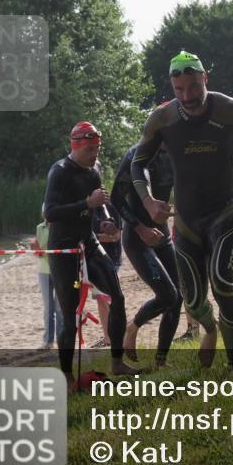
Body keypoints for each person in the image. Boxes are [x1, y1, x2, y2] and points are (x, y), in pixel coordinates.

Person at [131, 51, 233, 371]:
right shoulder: (162, 118)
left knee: (222, 284)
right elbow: (138, 164)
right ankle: (210, 330)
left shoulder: (230, 108)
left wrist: (226, 152)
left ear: (205, 78)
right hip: (187, 220)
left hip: (224, 212)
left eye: (193, 87)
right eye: (179, 90)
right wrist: (149, 201)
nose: (187, 97)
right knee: (192, 300)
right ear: (172, 87)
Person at [44, 121, 138, 388]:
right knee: (71, 314)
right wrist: (86, 203)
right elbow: (50, 213)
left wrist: (105, 221)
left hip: (89, 241)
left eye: (97, 148)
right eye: (90, 149)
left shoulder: (94, 170)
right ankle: (67, 375)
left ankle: (117, 362)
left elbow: (100, 206)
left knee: (117, 298)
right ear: (76, 146)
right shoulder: (60, 172)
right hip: (63, 247)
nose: (95, 154)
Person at [111, 143, 181, 367]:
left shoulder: (177, 150)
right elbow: (116, 198)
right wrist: (140, 228)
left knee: (177, 297)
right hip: (137, 237)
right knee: (167, 295)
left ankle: (161, 360)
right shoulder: (136, 155)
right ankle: (132, 327)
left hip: (162, 235)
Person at [92, 200, 123, 344]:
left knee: (109, 298)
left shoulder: (111, 208)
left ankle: (114, 334)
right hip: (93, 260)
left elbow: (116, 236)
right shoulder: (88, 209)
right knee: (100, 299)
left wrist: (93, 238)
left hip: (112, 259)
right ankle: (107, 336)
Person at [35, 210, 63, 350]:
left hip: (59, 271)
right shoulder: (40, 228)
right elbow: (39, 251)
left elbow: (59, 250)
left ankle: (61, 340)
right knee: (48, 308)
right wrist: (36, 250)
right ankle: (48, 341)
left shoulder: (61, 227)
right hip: (44, 271)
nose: (47, 214)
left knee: (59, 308)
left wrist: (42, 251)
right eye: (45, 212)